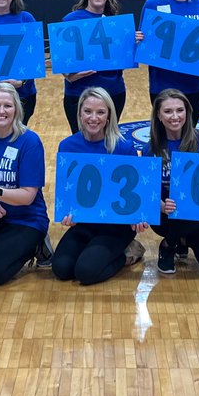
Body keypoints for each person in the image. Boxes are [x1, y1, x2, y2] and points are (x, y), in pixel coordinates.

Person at [51, 87, 147, 285]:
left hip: (117, 225)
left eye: (100, 112)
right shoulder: (67, 146)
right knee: (61, 269)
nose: (93, 118)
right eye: (88, 111)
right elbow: (68, 192)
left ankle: (128, 252)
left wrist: (139, 216)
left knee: (86, 272)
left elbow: (137, 191)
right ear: (79, 113)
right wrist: (67, 213)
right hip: (86, 221)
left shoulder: (123, 147)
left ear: (109, 116)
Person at [143, 89, 199, 279]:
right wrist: (161, 206)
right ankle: (169, 245)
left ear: (187, 112)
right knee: (178, 212)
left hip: (197, 217)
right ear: (158, 115)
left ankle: (180, 240)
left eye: (180, 110)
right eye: (167, 111)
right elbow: (146, 191)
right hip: (166, 217)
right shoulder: (151, 148)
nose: (175, 116)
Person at [0, 83, 50, 286]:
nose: (1, 111)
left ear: (17, 110)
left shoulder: (29, 142)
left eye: (8, 106)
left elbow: (28, 196)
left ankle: (35, 245)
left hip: (26, 220)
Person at [60, 0, 128, 132]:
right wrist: (73, 76)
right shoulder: (70, 21)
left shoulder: (116, 23)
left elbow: (122, 62)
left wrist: (133, 42)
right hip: (78, 95)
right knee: (81, 144)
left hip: (113, 93)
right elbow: (63, 65)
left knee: (107, 142)